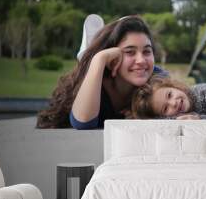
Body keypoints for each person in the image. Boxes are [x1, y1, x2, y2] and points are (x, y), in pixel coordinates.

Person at [37, 15, 167, 129]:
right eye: (129, 52)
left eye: (147, 51)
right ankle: (89, 54)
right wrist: (99, 59)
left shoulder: (158, 78)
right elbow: (83, 122)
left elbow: (183, 102)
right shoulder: (98, 80)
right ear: (112, 57)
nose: (141, 60)